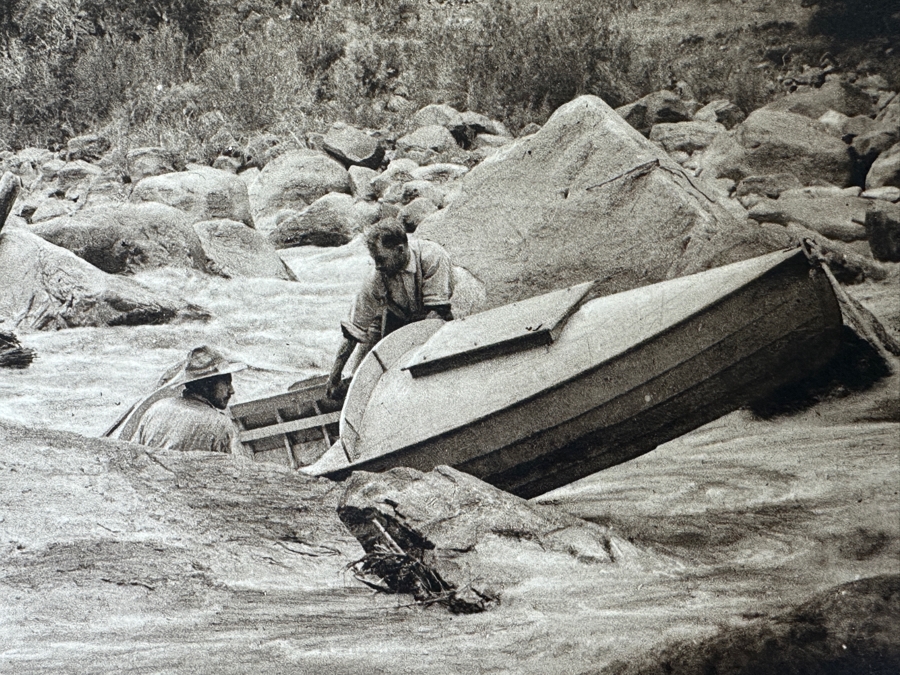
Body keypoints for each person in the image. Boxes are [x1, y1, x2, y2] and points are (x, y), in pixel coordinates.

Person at [325, 219, 454, 398]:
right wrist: (335, 375)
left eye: (381, 259)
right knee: (366, 366)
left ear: (400, 250)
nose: (377, 266)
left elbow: (435, 314)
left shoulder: (432, 257)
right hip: (400, 314)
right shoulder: (377, 277)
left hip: (439, 313)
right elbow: (353, 331)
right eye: (374, 260)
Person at [135, 345, 246, 454]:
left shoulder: (155, 409)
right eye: (226, 383)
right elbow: (239, 467)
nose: (232, 391)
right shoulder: (221, 424)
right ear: (207, 384)